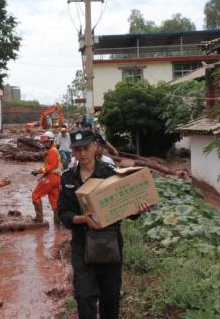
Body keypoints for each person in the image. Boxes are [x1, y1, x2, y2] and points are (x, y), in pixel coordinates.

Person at [57, 130, 152, 318]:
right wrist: (83, 219)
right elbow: (63, 214)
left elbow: (125, 211)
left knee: (110, 298)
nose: (82, 153)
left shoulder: (110, 175)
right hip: (82, 246)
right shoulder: (67, 178)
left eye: (86, 148)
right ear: (73, 151)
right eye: (77, 149)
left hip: (110, 244)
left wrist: (137, 209)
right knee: (84, 298)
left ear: (94, 147)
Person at [31, 131, 62, 224]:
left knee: (35, 195)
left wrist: (38, 171)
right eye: (43, 141)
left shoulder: (52, 151)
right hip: (56, 178)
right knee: (54, 200)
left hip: (51, 177)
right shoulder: (53, 150)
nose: (44, 143)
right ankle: (57, 222)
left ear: (51, 141)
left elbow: (50, 167)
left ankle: (39, 217)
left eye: (46, 141)